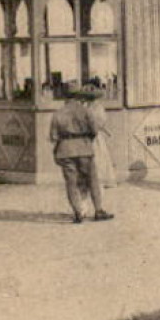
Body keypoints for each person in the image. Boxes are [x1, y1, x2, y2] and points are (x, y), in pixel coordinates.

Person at [49, 85, 114, 224]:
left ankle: (78, 212)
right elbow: (94, 131)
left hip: (65, 150)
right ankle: (98, 210)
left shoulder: (58, 113)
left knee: (71, 183)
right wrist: (85, 140)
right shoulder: (85, 111)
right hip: (84, 148)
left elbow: (53, 136)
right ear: (78, 96)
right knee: (92, 180)